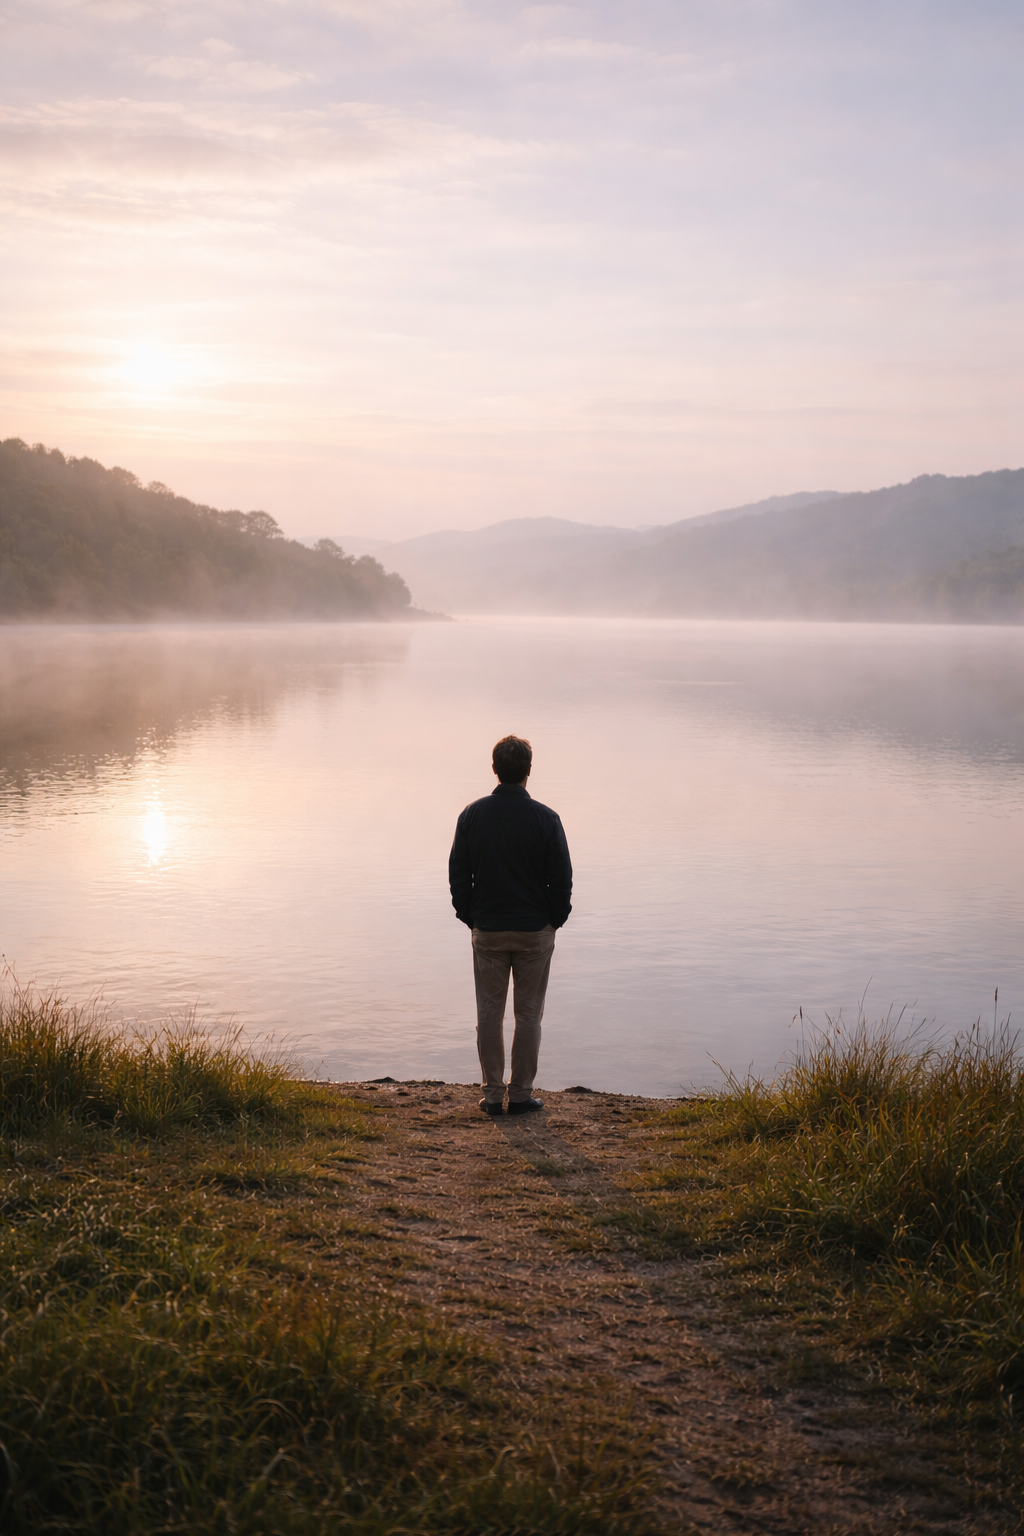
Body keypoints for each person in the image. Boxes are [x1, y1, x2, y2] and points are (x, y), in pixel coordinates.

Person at [448, 735, 573, 1116]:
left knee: (488, 1013)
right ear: (528, 772)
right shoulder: (547, 818)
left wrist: (472, 917)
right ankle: (520, 1095)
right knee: (529, 1014)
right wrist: (553, 921)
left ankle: (491, 1095)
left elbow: (458, 876)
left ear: (494, 769)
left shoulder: (471, 815)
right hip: (535, 931)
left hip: (488, 930)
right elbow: (562, 880)